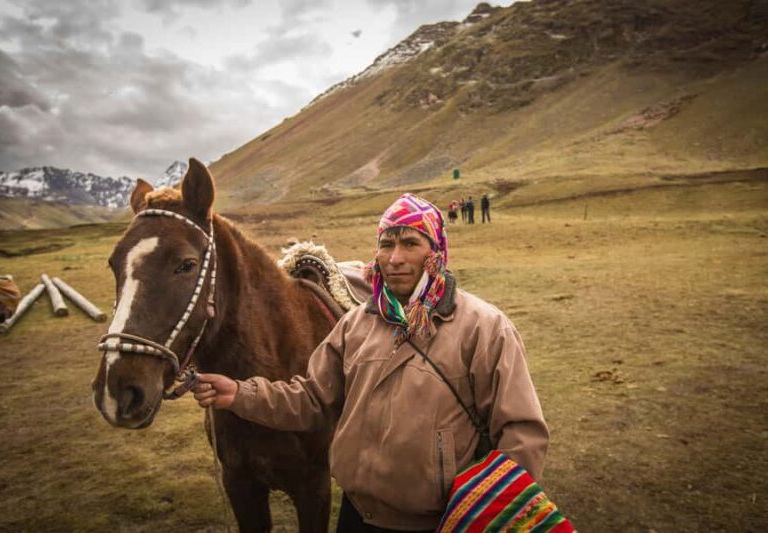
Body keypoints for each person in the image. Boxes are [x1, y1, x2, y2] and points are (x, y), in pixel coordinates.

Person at [193, 193, 549, 532]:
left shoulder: (484, 328)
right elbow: (313, 399)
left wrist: (492, 515)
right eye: (386, 244)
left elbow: (521, 433)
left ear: (436, 252)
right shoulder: (356, 324)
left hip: (439, 521)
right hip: (357, 516)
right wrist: (240, 394)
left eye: (410, 243)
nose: (394, 258)